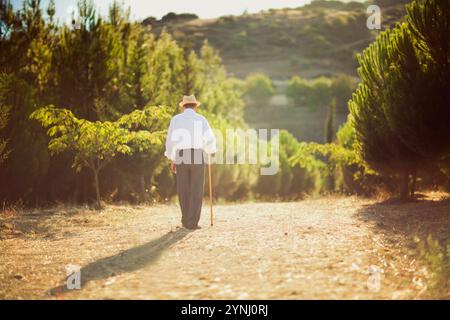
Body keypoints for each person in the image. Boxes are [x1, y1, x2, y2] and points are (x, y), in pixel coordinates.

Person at [164, 95, 217, 229]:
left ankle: (185, 221)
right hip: (198, 155)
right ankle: (192, 223)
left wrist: (172, 158)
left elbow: (170, 141)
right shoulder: (201, 119)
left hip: (181, 155)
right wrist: (210, 150)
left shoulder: (176, 120)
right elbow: (210, 139)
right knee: (196, 189)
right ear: (195, 106)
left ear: (183, 106)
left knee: (183, 189)